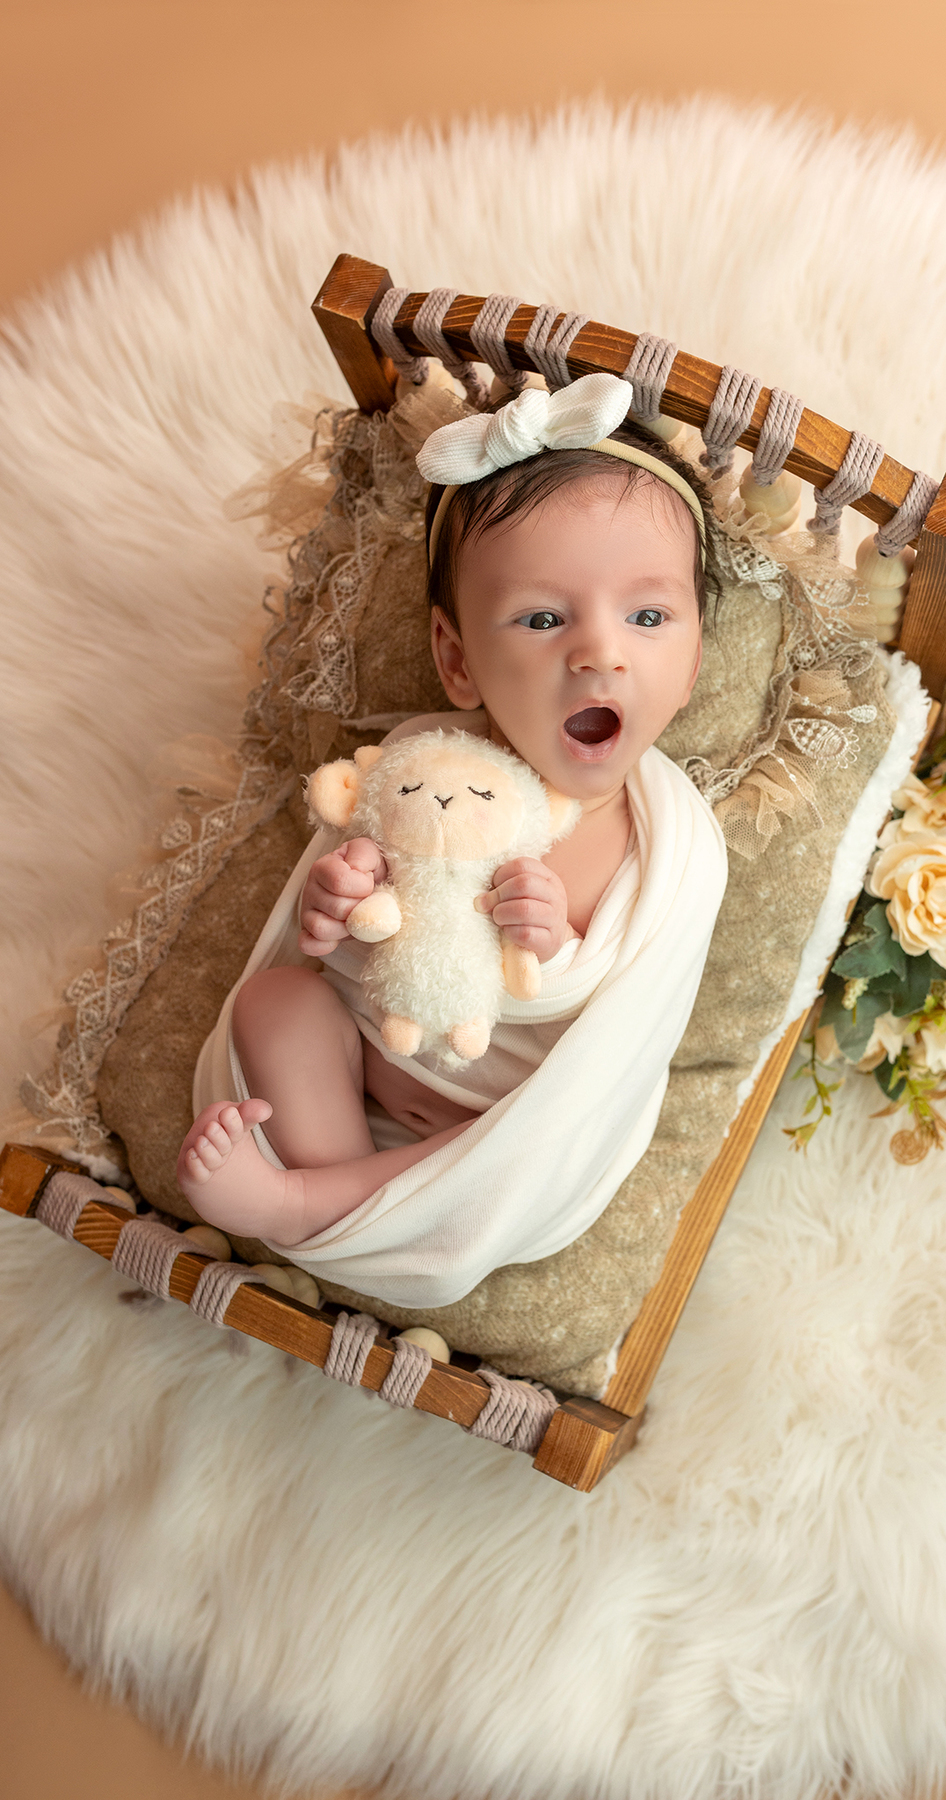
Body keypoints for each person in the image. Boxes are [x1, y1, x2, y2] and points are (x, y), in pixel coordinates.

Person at [177, 374, 729, 1299]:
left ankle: (299, 1203)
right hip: (365, 1062)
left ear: (694, 659)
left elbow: (615, 1041)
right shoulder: (417, 760)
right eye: (544, 618)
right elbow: (341, 935)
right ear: (457, 658)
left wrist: (549, 950)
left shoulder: (673, 848)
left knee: (521, 1153)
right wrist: (335, 905)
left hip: (502, 1120)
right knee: (274, 1003)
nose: (600, 651)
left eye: (648, 616)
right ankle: (342, 1183)